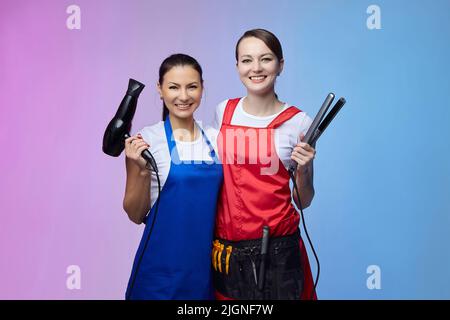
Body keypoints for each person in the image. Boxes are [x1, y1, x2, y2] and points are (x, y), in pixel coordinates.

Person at [212, 29, 317, 300]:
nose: (256, 68)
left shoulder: (299, 122)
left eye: (266, 59)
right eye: (247, 60)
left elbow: (303, 201)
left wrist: (304, 170)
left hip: (278, 252)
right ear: (237, 67)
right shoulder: (224, 111)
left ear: (280, 65)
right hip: (228, 251)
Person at [123, 54, 223, 300]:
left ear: (202, 88)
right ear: (160, 89)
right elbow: (136, 215)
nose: (184, 96)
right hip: (159, 273)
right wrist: (142, 170)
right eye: (173, 87)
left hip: (204, 271)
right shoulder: (147, 140)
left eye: (192, 86)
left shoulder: (217, 139)